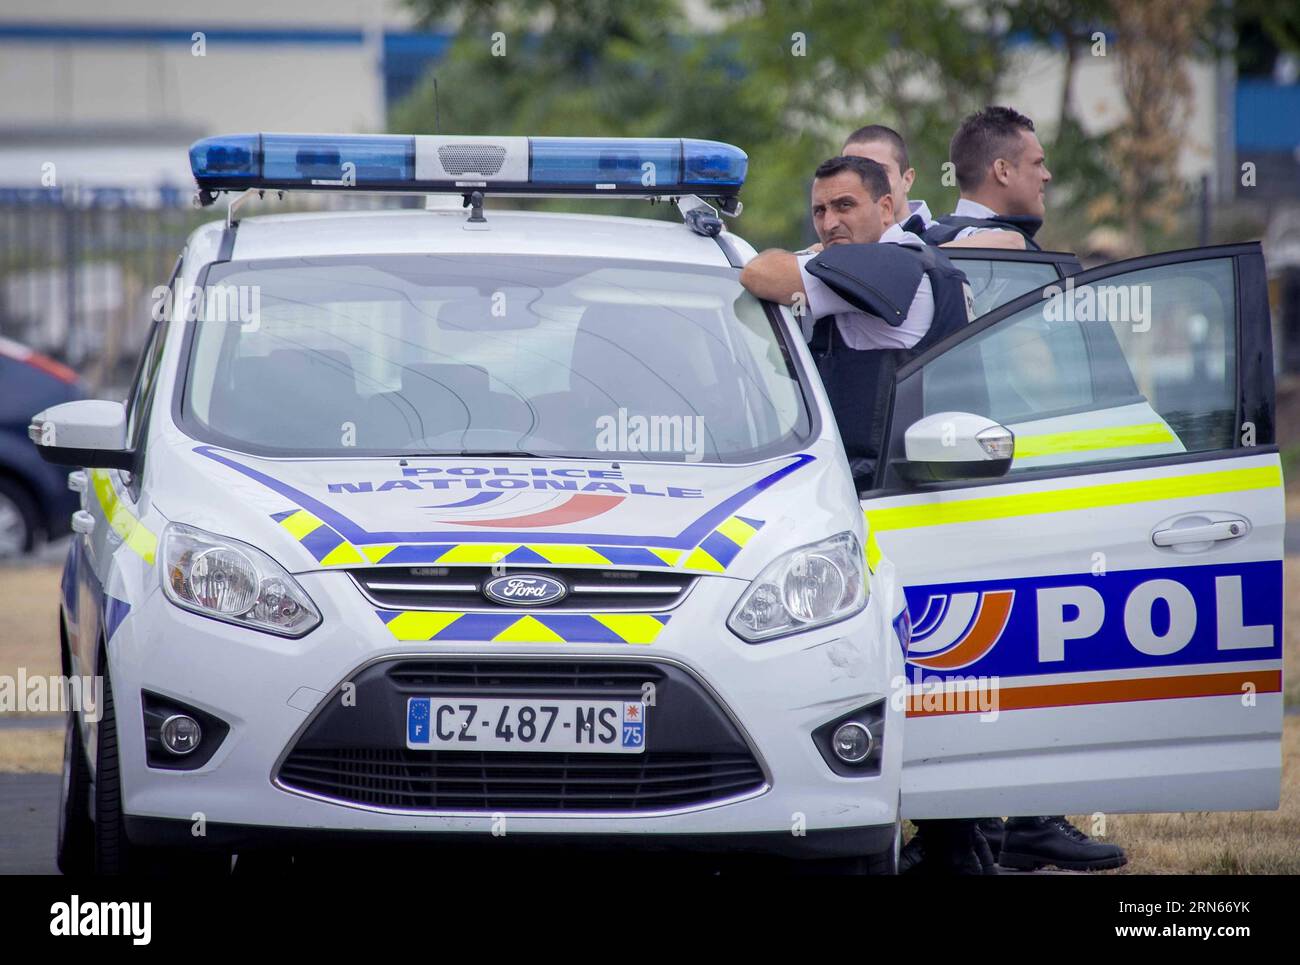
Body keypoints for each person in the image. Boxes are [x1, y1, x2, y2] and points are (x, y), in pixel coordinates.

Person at [739, 155, 974, 487]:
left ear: (885, 208)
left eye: (844, 206)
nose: (830, 222)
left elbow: (757, 273)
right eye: (820, 211)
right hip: (924, 476)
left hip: (885, 485)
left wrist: (814, 256)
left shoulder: (885, 267)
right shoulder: (924, 262)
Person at [841, 123, 1025, 249]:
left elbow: (1013, 242)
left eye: (878, 172)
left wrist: (918, 257)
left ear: (907, 179)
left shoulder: (937, 236)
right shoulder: (839, 242)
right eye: (851, 176)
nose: (863, 185)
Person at [922, 106, 1052, 250]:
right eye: (1038, 163)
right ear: (1003, 171)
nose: (1047, 175)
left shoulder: (919, 239)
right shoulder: (1014, 251)